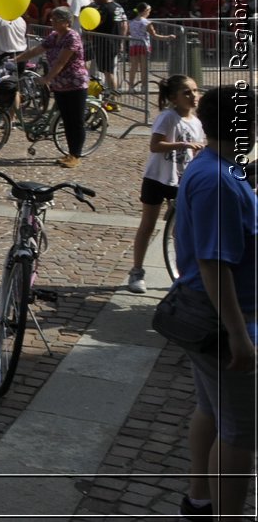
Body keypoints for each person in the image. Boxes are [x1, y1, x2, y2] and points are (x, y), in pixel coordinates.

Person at [170, 84, 255, 522]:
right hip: (221, 320)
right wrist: (240, 336)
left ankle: (200, 501)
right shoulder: (218, 179)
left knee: (210, 409)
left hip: (205, 314)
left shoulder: (215, 168)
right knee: (241, 432)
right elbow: (213, 264)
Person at [124, 75, 203, 294]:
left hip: (182, 179)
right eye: (187, 92)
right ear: (173, 98)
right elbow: (155, 145)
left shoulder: (196, 122)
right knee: (148, 224)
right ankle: (137, 271)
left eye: (195, 91)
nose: (193, 96)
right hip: (157, 177)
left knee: (181, 229)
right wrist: (183, 143)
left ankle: (183, 271)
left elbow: (196, 150)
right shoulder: (168, 117)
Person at [16, 6, 88, 169]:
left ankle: (76, 155)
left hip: (75, 83)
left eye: (56, 19)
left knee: (75, 121)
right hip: (60, 85)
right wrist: (17, 59)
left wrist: (47, 78)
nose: (52, 22)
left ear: (66, 22)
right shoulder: (54, 36)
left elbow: (61, 61)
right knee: (66, 120)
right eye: (52, 19)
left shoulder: (72, 37)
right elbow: (37, 49)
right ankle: (70, 153)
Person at [125, 2, 175, 92]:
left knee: (133, 67)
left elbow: (128, 33)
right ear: (145, 11)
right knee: (144, 67)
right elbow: (155, 35)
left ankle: (130, 87)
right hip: (144, 46)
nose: (149, 13)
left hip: (133, 45)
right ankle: (144, 87)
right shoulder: (147, 23)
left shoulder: (131, 21)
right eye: (149, 11)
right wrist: (167, 37)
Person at [88, 0, 127, 93]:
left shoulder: (102, 9)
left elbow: (94, 25)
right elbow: (124, 25)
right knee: (109, 71)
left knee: (108, 73)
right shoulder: (118, 7)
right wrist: (121, 41)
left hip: (104, 44)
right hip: (113, 43)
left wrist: (88, 29)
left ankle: (113, 99)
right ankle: (109, 96)